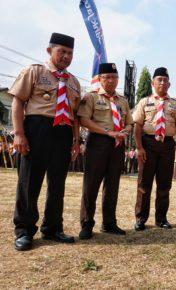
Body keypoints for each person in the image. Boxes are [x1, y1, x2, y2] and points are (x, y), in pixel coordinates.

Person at [9, 33, 81, 251]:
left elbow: (75, 114)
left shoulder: (74, 82)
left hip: (64, 133)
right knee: (29, 183)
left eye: (70, 53)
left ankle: (52, 228)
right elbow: (18, 101)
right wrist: (19, 133)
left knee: (57, 184)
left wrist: (76, 140)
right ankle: (24, 230)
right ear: (50, 51)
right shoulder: (34, 71)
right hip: (36, 129)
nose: (66, 57)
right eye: (62, 52)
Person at [77, 63, 133, 239]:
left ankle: (109, 223)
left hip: (117, 145)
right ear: (100, 79)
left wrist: (126, 131)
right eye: (107, 77)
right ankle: (87, 223)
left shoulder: (122, 101)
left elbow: (130, 122)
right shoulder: (91, 97)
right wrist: (109, 132)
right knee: (91, 184)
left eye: (114, 77)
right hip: (98, 142)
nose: (111, 80)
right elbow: (84, 120)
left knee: (112, 185)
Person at [133, 67, 176, 230]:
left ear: (169, 84)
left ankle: (161, 218)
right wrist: (139, 147)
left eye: (165, 80)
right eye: (159, 80)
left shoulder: (175, 105)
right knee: (144, 183)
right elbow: (137, 126)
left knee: (164, 184)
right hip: (148, 144)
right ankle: (141, 218)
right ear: (153, 83)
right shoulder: (144, 102)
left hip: (167, 145)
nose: (162, 83)